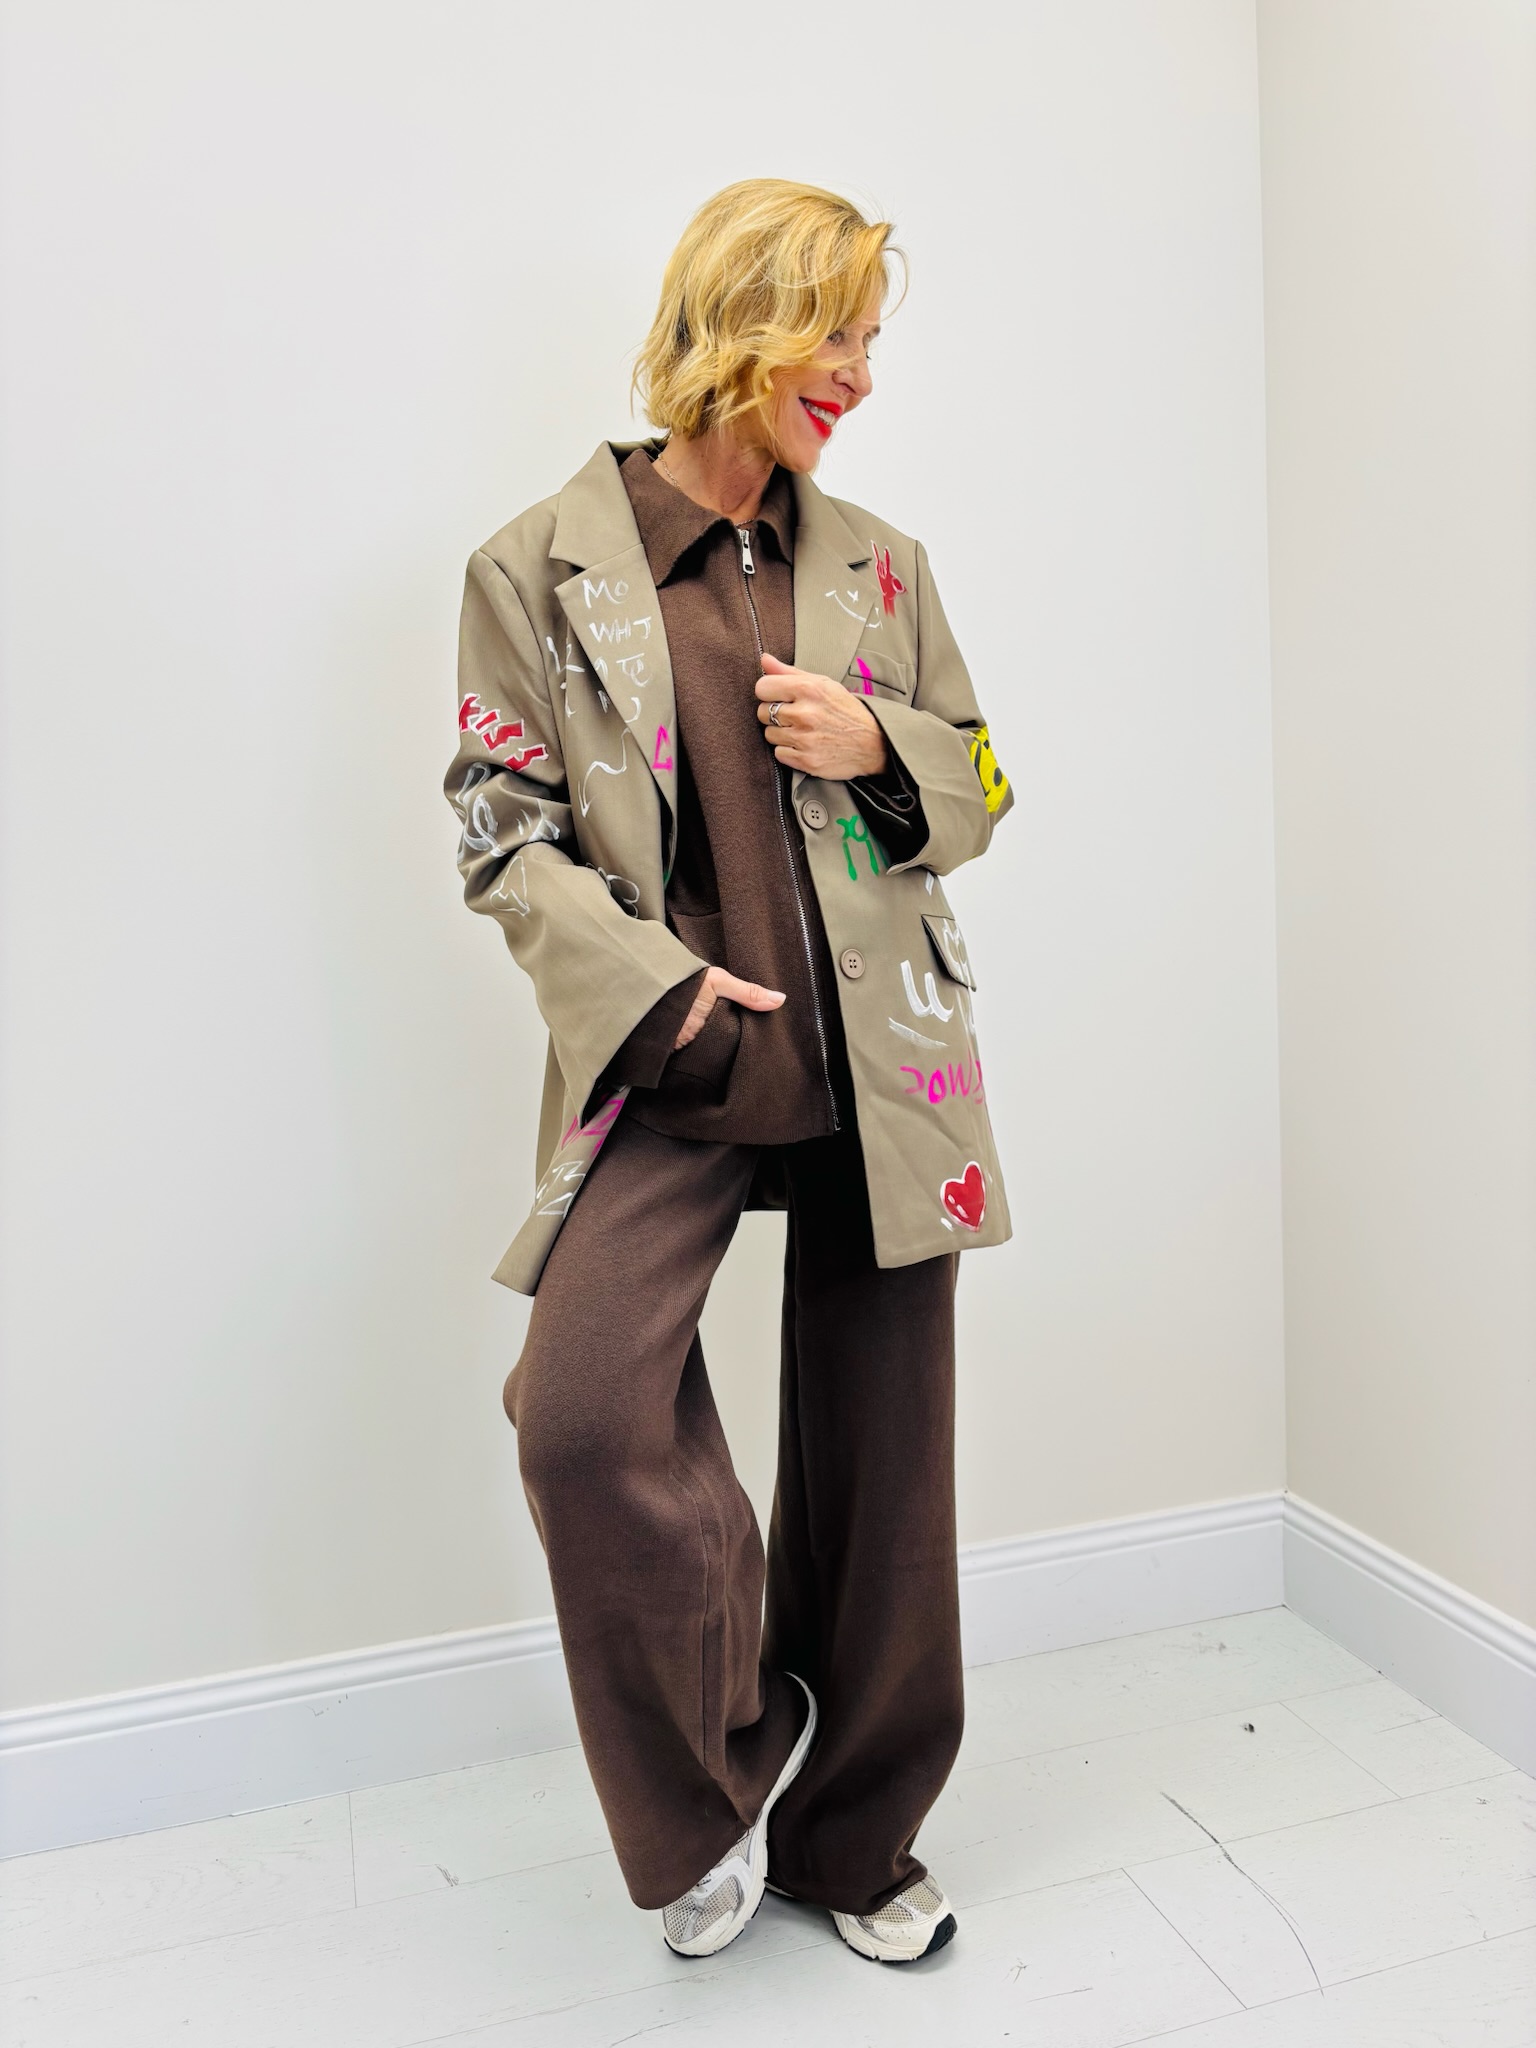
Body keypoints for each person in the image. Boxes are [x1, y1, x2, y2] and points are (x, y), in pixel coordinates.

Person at [444, 178, 1014, 1967]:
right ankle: (723, 1781)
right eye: (835, 332)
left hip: (878, 1062)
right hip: (669, 1055)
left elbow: (985, 786)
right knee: (581, 1419)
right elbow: (499, 830)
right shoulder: (535, 565)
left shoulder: (883, 565)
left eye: (871, 339)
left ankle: (860, 1838)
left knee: (886, 1468)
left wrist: (881, 741)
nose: (860, 373)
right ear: (740, 318)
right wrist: (664, 987)